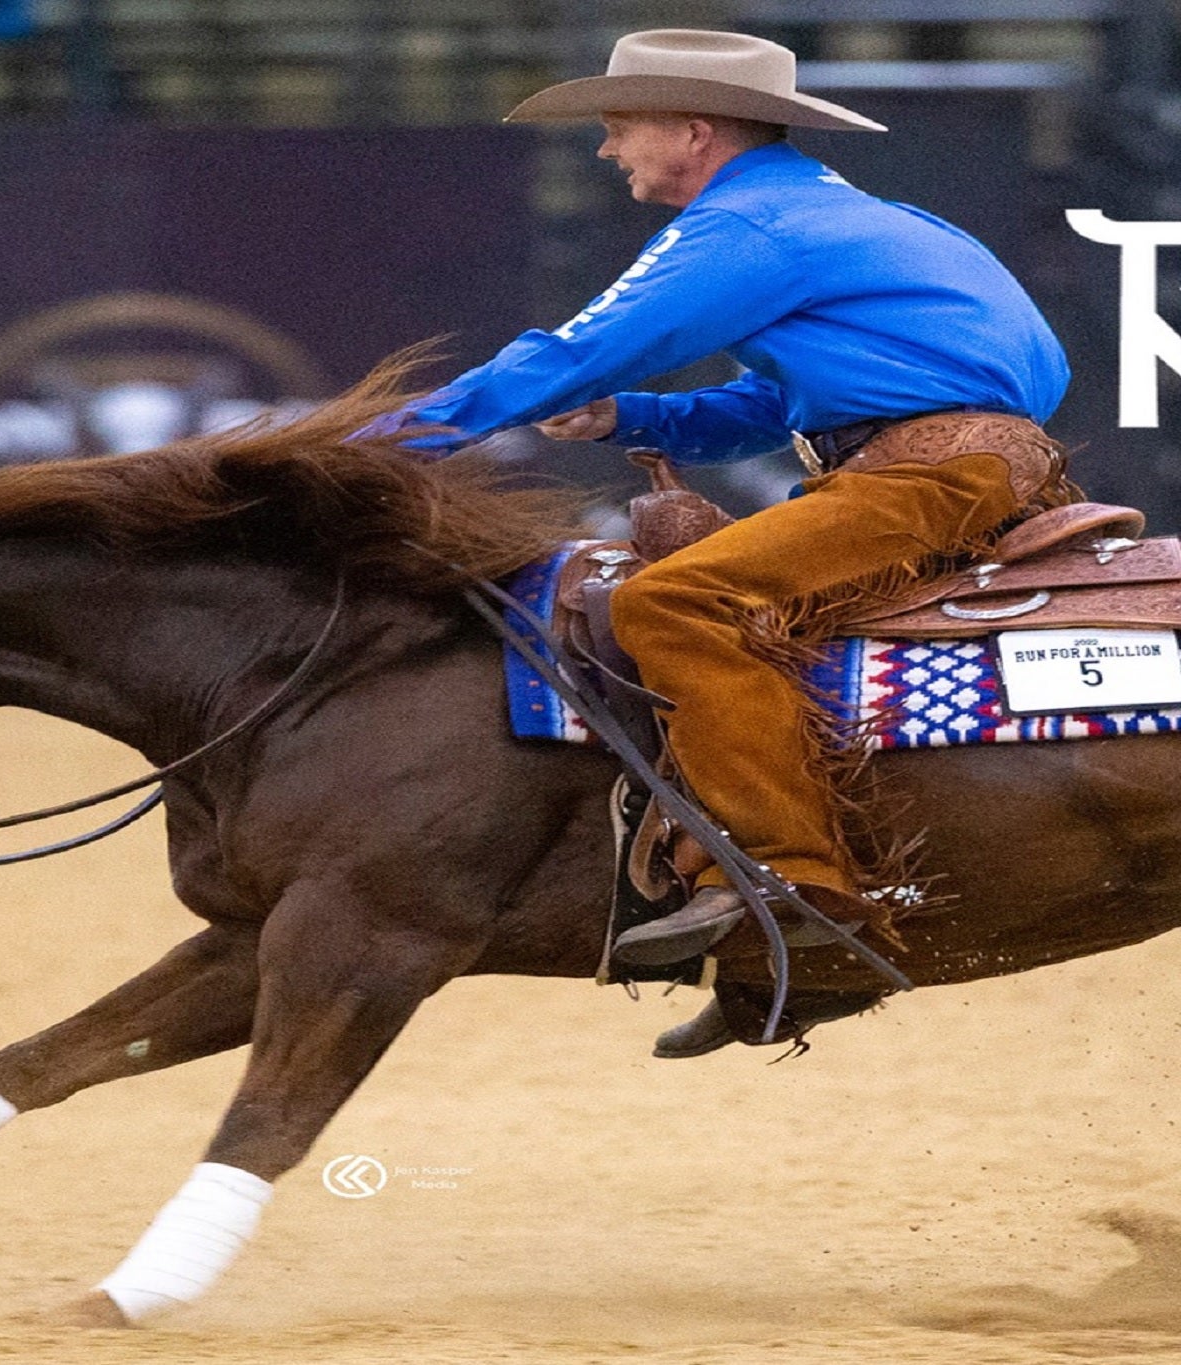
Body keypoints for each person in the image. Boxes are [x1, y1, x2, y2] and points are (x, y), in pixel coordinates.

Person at [402, 29, 1072, 974]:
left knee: (672, 601)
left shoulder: (745, 229)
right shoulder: (837, 215)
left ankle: (790, 874)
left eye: (618, 126)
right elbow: (778, 406)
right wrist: (625, 419)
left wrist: (374, 447)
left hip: (926, 479)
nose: (606, 149)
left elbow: (566, 357)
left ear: (692, 129)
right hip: (959, 464)